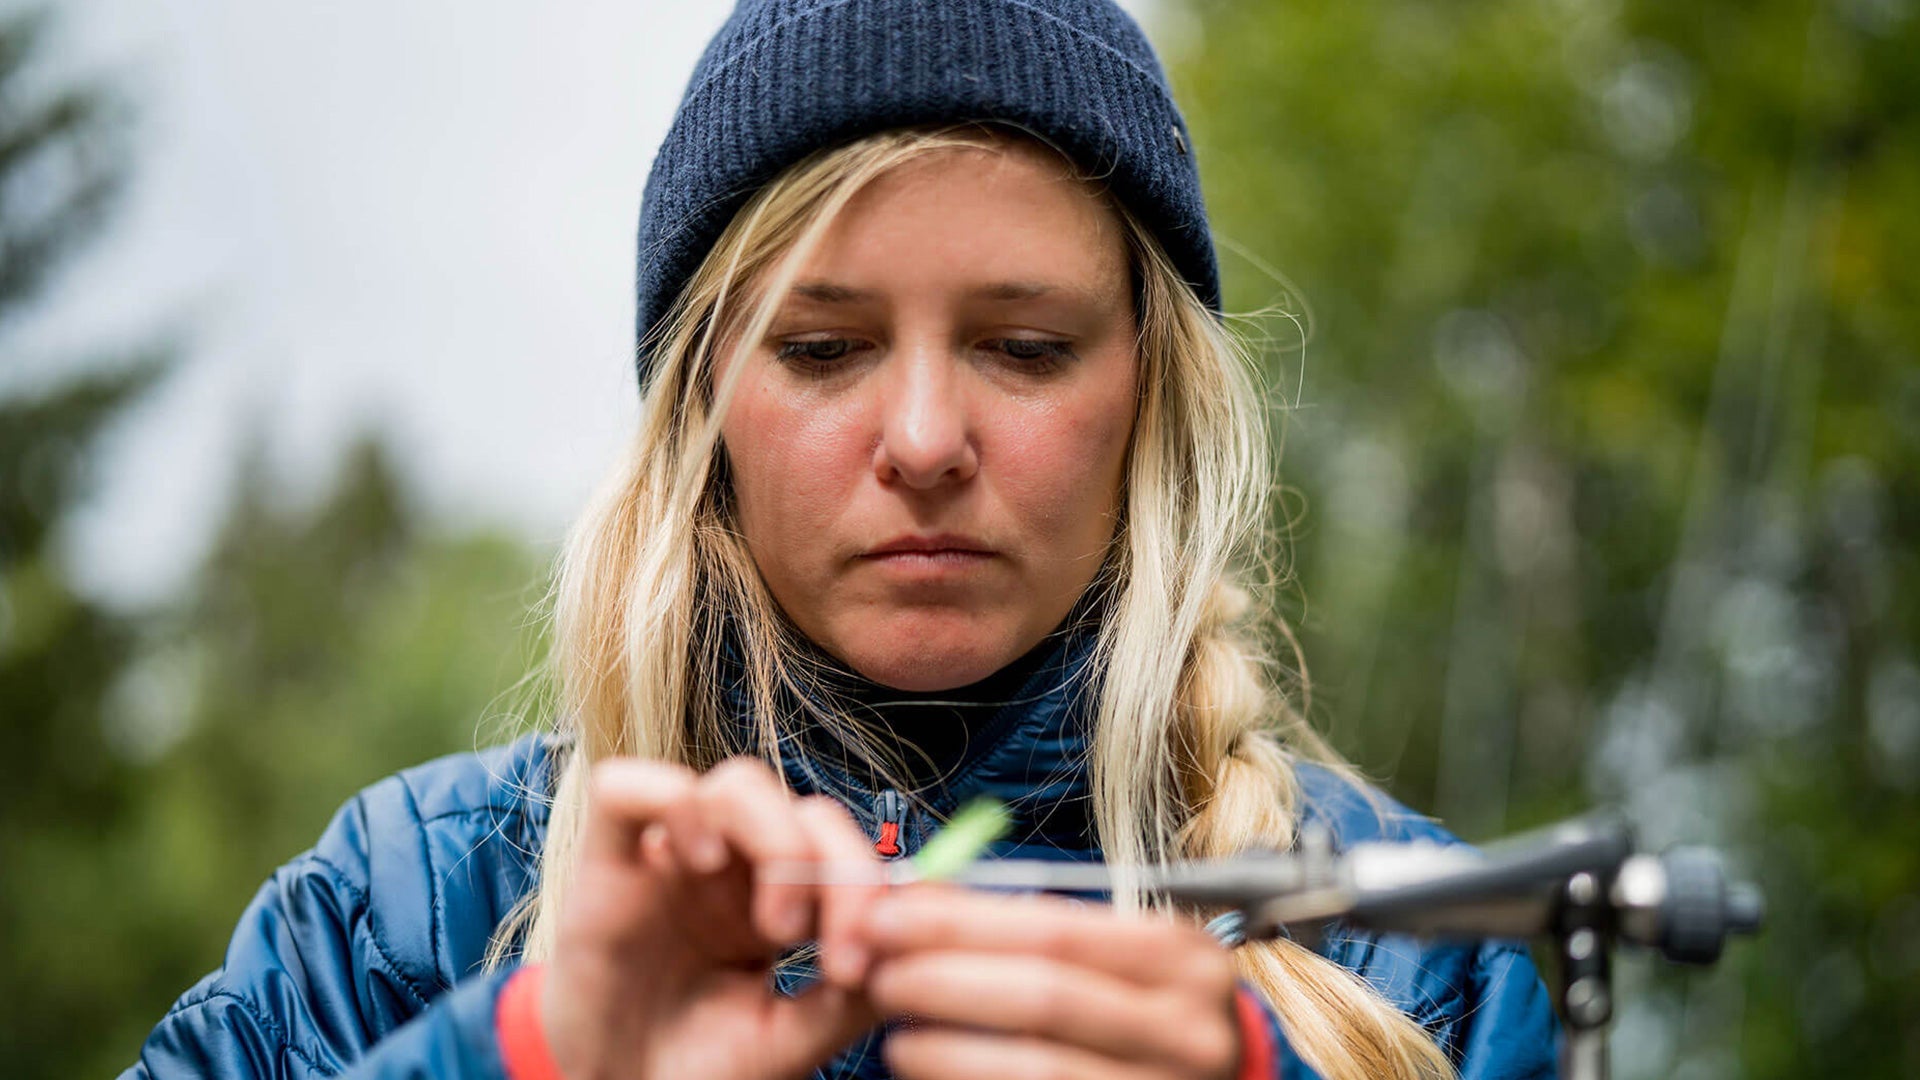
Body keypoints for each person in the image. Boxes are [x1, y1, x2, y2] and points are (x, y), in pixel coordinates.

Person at [123, 1, 1559, 1078]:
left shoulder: (1412, 957)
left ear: (1151, 399)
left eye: (1024, 345)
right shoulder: (407, 916)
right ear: (703, 409)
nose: (926, 437)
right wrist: (523, 1054)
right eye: (820, 346)